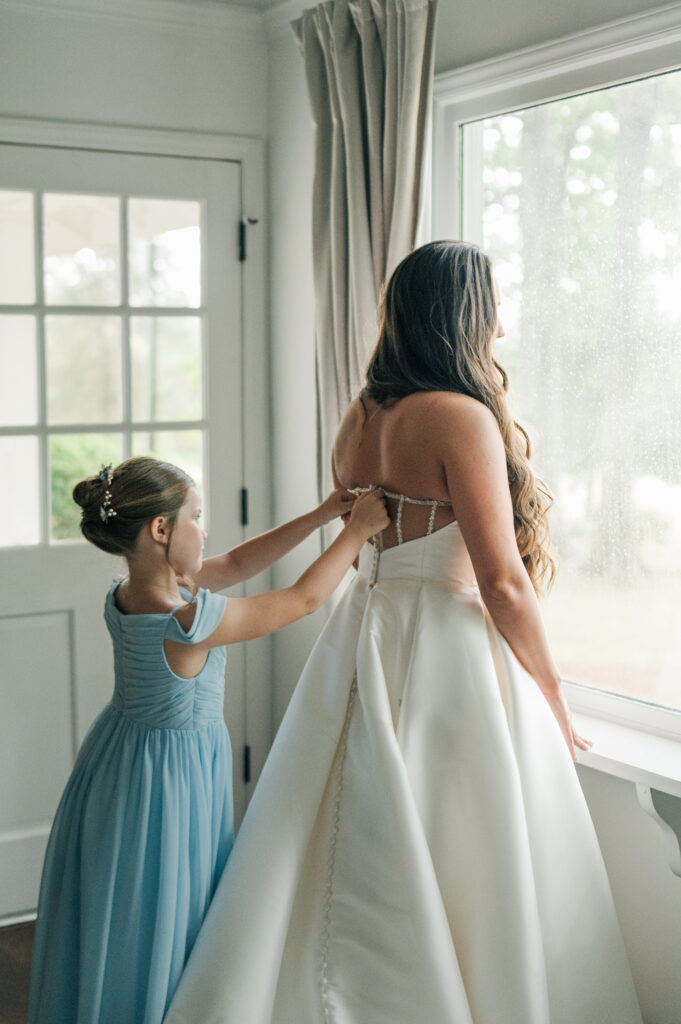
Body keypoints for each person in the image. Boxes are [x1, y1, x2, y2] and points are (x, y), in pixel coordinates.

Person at [164, 242, 643, 1024]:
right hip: (443, 645)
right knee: (456, 835)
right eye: (491, 307)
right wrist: (551, 692)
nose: (499, 326)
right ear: (465, 315)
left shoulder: (360, 415)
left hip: (363, 629)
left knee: (334, 821)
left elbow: (361, 527)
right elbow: (502, 583)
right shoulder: (459, 417)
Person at [27, 455, 388, 1024]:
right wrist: (360, 533)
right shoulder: (187, 620)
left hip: (120, 761)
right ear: (161, 530)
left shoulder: (136, 590)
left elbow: (241, 561)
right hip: (165, 789)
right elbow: (301, 601)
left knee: (123, 908)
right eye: (197, 516)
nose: (206, 529)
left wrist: (321, 516)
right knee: (160, 911)